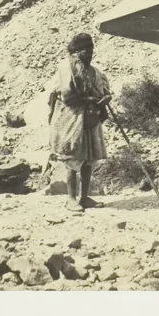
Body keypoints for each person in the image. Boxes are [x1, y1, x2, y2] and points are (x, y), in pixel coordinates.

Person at [48, 32, 112, 212]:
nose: (88, 53)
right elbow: (68, 96)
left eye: (91, 49)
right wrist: (91, 99)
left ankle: (84, 198)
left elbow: (102, 90)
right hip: (71, 118)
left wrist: (104, 98)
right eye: (84, 50)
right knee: (73, 157)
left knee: (88, 158)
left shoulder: (95, 72)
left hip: (90, 118)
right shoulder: (66, 67)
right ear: (75, 51)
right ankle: (71, 199)